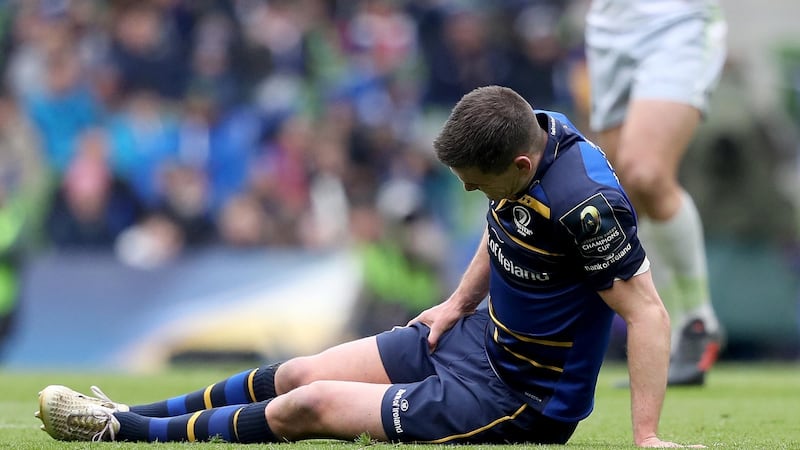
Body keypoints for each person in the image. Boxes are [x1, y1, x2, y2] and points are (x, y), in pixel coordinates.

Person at [35, 86, 696, 447]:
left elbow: (647, 313)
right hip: (476, 341)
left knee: (311, 403)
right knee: (298, 370)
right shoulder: (534, 129)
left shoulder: (587, 206)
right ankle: (131, 410)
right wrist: (458, 303)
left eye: (476, 182)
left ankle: (123, 431)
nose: (469, 193)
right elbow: (503, 228)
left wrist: (646, 438)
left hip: (519, 398)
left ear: (520, 167)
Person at [584, 0, 727, 386]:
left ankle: (698, 320)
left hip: (678, 19)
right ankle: (669, 334)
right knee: (623, 190)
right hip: (609, 26)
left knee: (645, 171)